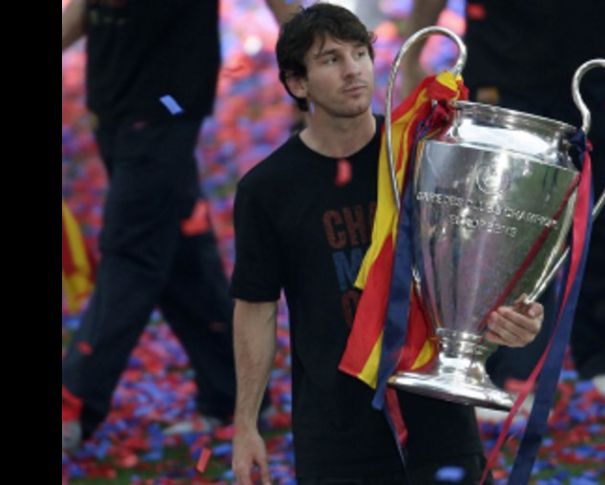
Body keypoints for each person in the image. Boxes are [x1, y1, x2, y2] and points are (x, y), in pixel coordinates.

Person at [229, 4, 545, 484]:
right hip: (336, 430)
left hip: (438, 416)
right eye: (331, 59)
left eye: (359, 53)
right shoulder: (268, 189)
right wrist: (246, 424)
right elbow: (256, 307)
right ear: (297, 83)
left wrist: (511, 318)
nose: (353, 69)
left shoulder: (424, 155)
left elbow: (475, 267)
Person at [402, 0, 605, 399]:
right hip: (503, 64)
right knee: (497, 224)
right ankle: (495, 362)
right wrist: (414, 48)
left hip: (595, 61)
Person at [60, 0, 268, 451]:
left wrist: (311, 61)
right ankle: (230, 392)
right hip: (114, 107)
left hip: (164, 113)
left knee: (132, 251)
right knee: (178, 252)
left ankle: (73, 403)